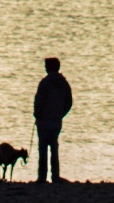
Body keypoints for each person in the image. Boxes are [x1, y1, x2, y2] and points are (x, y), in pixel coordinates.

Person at [32, 56, 72, 184]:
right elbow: (69, 102)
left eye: (46, 66)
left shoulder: (45, 83)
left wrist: (37, 114)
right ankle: (55, 176)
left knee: (43, 149)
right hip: (56, 121)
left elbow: (38, 101)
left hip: (44, 121)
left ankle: (42, 177)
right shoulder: (64, 83)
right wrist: (60, 114)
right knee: (54, 148)